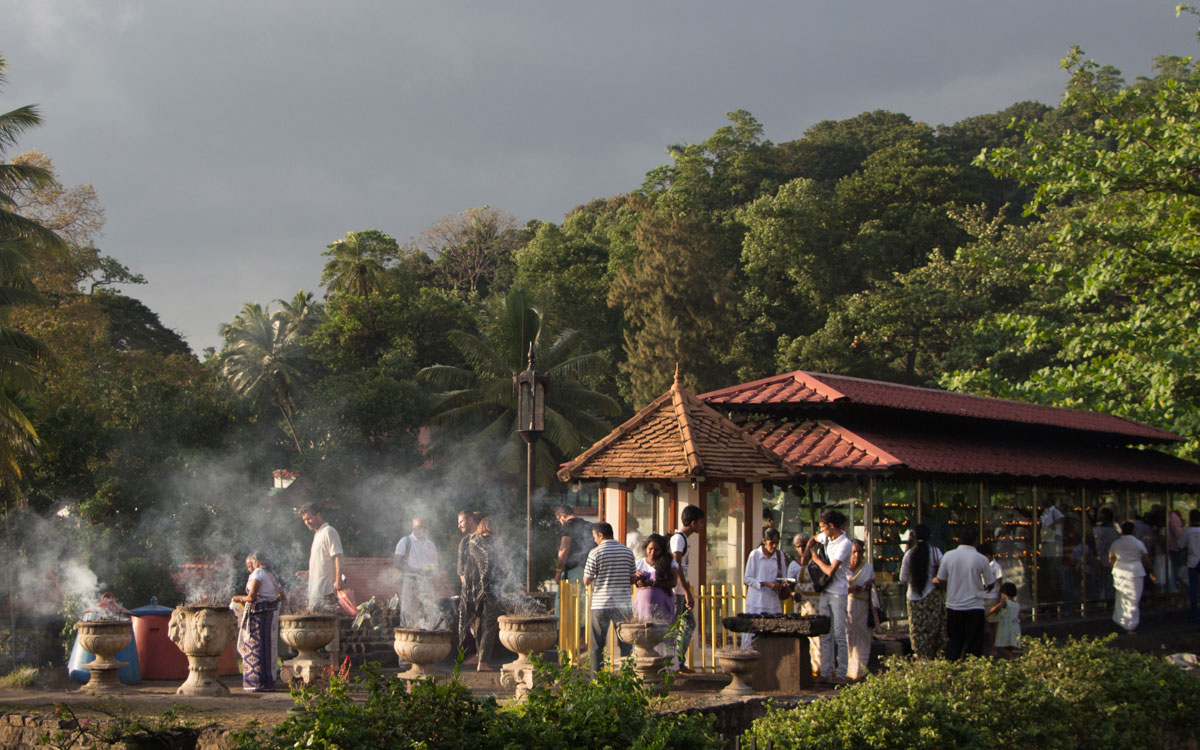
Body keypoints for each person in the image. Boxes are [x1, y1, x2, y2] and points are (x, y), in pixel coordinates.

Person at [934, 526, 994, 661]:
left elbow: (941, 579)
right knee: (975, 643)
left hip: (954, 605)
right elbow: (990, 583)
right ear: (975, 541)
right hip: (975, 606)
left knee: (954, 640)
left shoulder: (948, 556)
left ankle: (952, 668)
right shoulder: (981, 559)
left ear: (959, 540)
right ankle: (971, 670)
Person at [584, 521, 637, 673]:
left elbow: (587, 580)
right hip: (623, 605)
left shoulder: (595, 552)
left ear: (600, 535)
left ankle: (597, 680)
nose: (594, 540)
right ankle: (627, 676)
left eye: (595, 537)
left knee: (597, 644)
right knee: (626, 642)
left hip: (601, 604)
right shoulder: (627, 552)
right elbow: (632, 579)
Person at [807, 509, 852, 684]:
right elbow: (813, 539)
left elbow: (830, 571)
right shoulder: (827, 537)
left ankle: (841, 672)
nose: (822, 531)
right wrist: (806, 554)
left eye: (824, 528)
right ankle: (825, 671)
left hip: (838, 592)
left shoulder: (845, 544)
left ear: (831, 526)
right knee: (825, 633)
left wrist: (816, 560)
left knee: (840, 634)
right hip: (825, 591)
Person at [232, 551, 282, 692]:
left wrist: (238, 598)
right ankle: (268, 682)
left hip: (257, 617)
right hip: (270, 615)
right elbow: (280, 594)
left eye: (251, 563)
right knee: (268, 648)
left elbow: (251, 597)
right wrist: (266, 596)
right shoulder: (272, 574)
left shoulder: (258, 573)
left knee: (255, 648)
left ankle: (255, 682)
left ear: (257, 561)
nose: (251, 567)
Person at [459, 516, 502, 671]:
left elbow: (465, 568)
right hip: (491, 590)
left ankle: (479, 656)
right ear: (493, 528)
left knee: (477, 625)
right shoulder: (496, 544)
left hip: (472, 591)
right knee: (490, 626)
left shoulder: (472, 543)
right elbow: (500, 568)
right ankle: (482, 662)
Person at [898, 524, 945, 660]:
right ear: (929, 536)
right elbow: (943, 574)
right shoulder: (936, 552)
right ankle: (934, 659)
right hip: (932, 597)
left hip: (913, 599)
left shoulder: (909, 554)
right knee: (933, 631)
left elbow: (903, 578)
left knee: (917, 632)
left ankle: (921, 658)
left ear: (914, 536)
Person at [741, 528, 789, 648]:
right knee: (751, 634)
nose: (774, 546)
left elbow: (783, 576)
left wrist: (783, 583)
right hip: (756, 601)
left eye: (776, 543)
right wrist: (766, 584)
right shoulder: (755, 554)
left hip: (773, 601)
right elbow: (747, 579)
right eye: (771, 543)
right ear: (764, 541)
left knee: (775, 632)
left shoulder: (779, 555)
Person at [670, 504, 704, 672]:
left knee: (688, 624)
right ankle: (673, 664)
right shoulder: (678, 539)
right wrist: (686, 591)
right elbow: (676, 565)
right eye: (700, 522)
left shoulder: (684, 539)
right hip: (676, 591)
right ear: (693, 523)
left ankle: (678, 661)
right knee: (677, 626)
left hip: (680, 590)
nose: (701, 526)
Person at [296, 502, 344, 612]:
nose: (307, 522)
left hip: (326, 592)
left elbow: (338, 557)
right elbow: (322, 561)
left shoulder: (329, 531)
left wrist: (338, 581)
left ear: (318, 515)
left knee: (326, 626)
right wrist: (308, 573)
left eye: (309, 518)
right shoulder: (317, 534)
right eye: (304, 520)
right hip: (315, 590)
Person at [1110, 521, 1156, 634]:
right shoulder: (1138, 543)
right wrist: (1152, 571)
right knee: (1133, 598)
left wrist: (1113, 569)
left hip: (1119, 571)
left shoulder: (1116, 543)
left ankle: (1122, 622)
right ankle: (1130, 626)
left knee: (1121, 598)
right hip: (1134, 572)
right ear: (1133, 531)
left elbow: (1111, 557)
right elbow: (1146, 559)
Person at [394, 516, 440, 628]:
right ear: (413, 527)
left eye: (425, 527)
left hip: (426, 582)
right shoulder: (405, 541)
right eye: (419, 526)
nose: (422, 529)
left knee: (429, 614)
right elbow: (397, 563)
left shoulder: (431, 545)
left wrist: (430, 570)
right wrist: (416, 570)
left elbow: (435, 566)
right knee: (409, 614)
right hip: (411, 581)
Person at [787, 532, 822, 676]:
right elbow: (789, 584)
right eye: (799, 547)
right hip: (801, 604)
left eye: (804, 546)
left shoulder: (817, 562)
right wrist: (793, 592)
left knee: (817, 638)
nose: (802, 549)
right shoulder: (793, 565)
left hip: (817, 604)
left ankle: (818, 668)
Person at [555, 505, 594, 615]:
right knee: (582, 608)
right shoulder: (587, 525)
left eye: (558, 520)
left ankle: (563, 631)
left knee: (566, 607)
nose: (560, 523)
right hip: (587, 571)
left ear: (562, 516)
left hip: (572, 571)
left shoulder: (568, 525)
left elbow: (563, 550)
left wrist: (558, 572)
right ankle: (581, 632)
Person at [845, 539, 875, 680]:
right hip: (848, 607)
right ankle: (849, 673)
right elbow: (837, 588)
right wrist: (850, 588)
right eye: (854, 552)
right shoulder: (843, 568)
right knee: (850, 640)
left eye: (859, 552)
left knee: (863, 639)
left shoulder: (867, 567)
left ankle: (861, 672)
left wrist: (869, 585)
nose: (856, 555)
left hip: (863, 607)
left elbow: (873, 584)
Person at [633, 533, 676, 623]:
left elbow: (673, 583)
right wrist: (636, 578)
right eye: (650, 549)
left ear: (662, 550)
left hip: (662, 606)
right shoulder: (639, 564)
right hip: (643, 608)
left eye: (656, 550)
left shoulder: (669, 563)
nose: (653, 552)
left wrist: (652, 584)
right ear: (646, 548)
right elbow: (631, 581)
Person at [455, 510, 481, 658]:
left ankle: (481, 656)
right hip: (468, 589)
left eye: (461, 522)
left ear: (470, 520)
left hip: (484, 588)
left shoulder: (484, 538)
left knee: (481, 623)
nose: (459, 526)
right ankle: (469, 656)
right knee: (465, 623)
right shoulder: (464, 542)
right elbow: (460, 569)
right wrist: (466, 588)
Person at [978, 542, 1003, 654]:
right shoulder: (980, 565)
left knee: (993, 625)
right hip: (981, 597)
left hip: (991, 598)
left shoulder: (996, 567)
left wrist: (998, 601)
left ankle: (993, 648)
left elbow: (999, 585)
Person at [987, 582, 1021, 659]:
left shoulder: (1005, 602)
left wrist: (987, 614)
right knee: (1010, 645)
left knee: (1001, 645)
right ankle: (1010, 660)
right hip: (1015, 626)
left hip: (1006, 626)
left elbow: (994, 609)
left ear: (1004, 593)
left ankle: (1012, 659)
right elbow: (1019, 616)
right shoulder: (1017, 604)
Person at [1181, 509, 1200, 622]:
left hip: (1192, 561)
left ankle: (1195, 614)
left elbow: (1180, 545)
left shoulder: (1187, 532)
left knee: (1193, 588)